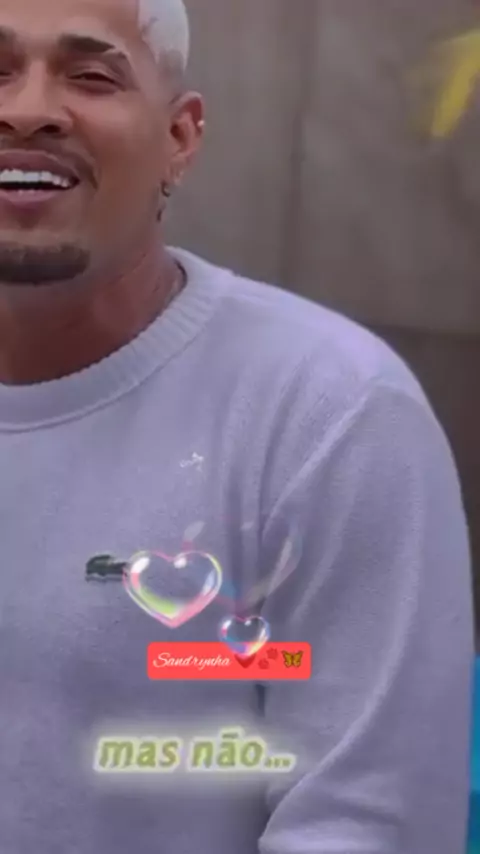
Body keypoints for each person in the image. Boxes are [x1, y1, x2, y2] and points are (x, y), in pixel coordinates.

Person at [0, 0, 473, 852]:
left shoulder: (331, 414)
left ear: (179, 137)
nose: (29, 109)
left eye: (92, 75)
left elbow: (368, 822)